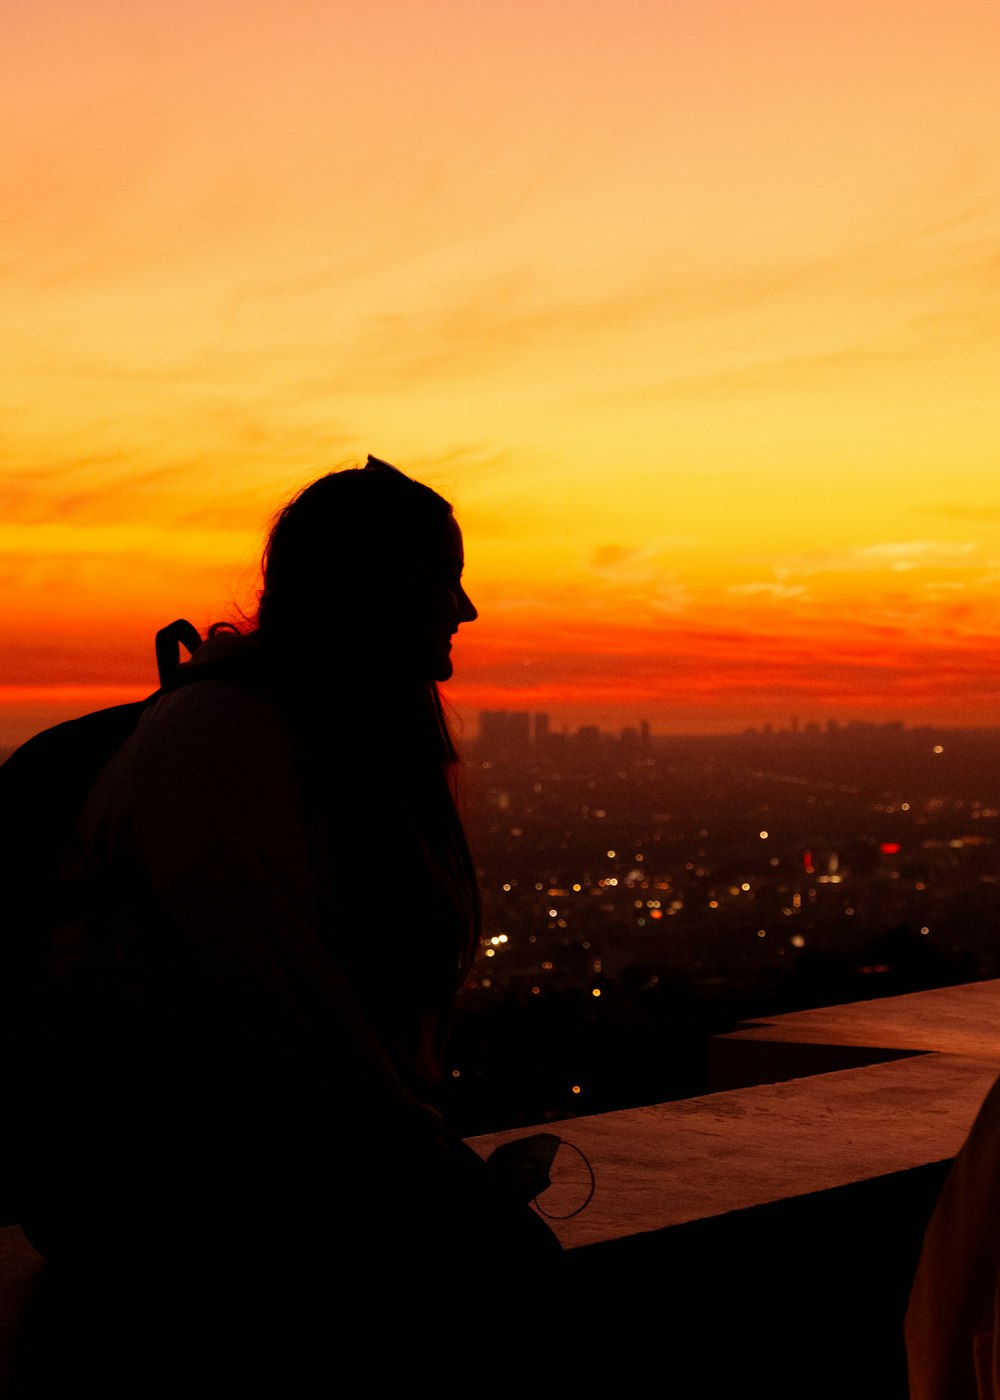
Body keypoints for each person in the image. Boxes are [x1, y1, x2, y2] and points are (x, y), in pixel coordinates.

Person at [13, 457, 562, 1392]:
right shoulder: (224, 742)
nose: (465, 610)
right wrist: (433, 1174)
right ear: (372, 593)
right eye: (443, 581)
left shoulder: (299, 738)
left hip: (251, 1190)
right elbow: (283, 1012)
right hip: (183, 1214)